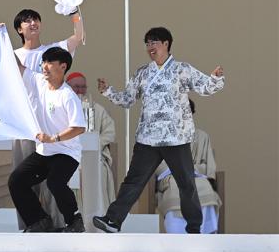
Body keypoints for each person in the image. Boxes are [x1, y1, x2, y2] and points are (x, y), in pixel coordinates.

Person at [93, 27, 225, 234]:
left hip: (176, 137)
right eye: (147, 43)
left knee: (186, 183)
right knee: (133, 181)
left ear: (166, 44)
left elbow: (205, 88)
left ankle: (194, 228)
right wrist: (108, 91)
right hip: (148, 139)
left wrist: (215, 78)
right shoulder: (142, 73)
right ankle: (113, 220)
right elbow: (128, 99)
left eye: (154, 42)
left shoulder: (182, 69)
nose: (150, 47)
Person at [11, 7, 84, 229]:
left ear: (61, 66)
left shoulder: (54, 53)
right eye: (26, 21)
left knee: (54, 183)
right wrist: (0, 38)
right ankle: (35, 223)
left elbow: (78, 37)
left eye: (36, 19)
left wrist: (75, 13)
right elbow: (17, 68)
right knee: (20, 180)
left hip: (56, 139)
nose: (33, 23)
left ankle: (65, 224)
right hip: (27, 128)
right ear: (19, 29)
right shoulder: (22, 62)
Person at [155, 99, 221, 234]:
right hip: (172, 176)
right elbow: (159, 164)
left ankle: (204, 232)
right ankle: (176, 231)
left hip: (197, 176)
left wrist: (192, 170)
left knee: (206, 187)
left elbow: (208, 164)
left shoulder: (202, 136)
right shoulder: (163, 135)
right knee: (175, 188)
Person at [66, 71, 118, 212]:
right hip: (66, 156)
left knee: (99, 171)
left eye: (83, 87)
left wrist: (95, 144)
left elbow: (109, 132)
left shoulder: (97, 109)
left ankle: (97, 215)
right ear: (67, 87)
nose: (80, 90)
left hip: (93, 157)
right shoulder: (61, 108)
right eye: (76, 86)